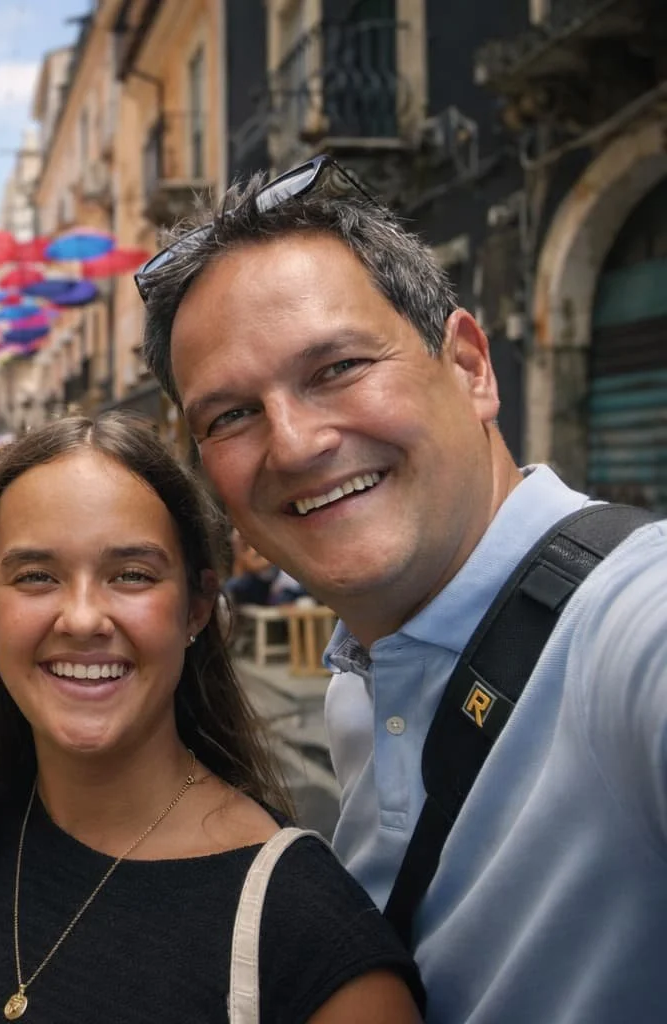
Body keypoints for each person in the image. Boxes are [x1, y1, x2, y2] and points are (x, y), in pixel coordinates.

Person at [137, 155, 667, 1023]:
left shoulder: (625, 625)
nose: (296, 444)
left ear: (469, 366)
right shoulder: (361, 687)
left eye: (338, 366)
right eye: (230, 415)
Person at [0, 414, 421, 1022]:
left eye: (132, 576)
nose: (84, 619)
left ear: (197, 607)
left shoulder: (309, 941)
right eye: (37, 577)